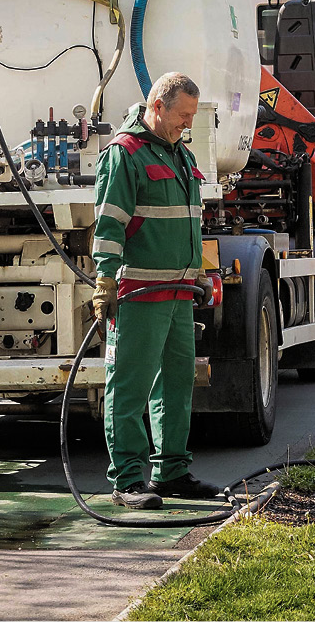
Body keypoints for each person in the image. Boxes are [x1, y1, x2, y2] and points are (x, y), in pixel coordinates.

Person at [91, 72, 218, 510]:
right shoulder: (124, 156)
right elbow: (109, 226)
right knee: (129, 388)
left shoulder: (180, 153)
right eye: (183, 116)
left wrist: (198, 274)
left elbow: (189, 220)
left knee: (177, 385)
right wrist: (105, 281)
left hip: (179, 291)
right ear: (158, 106)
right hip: (139, 293)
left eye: (192, 118)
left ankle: (171, 472)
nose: (188, 125)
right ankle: (128, 480)